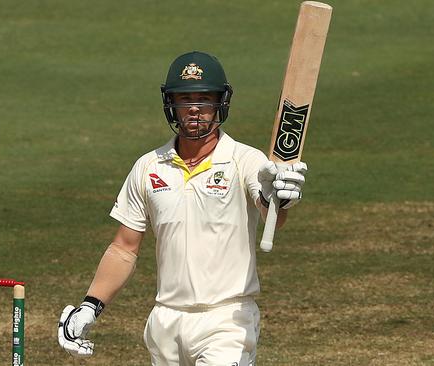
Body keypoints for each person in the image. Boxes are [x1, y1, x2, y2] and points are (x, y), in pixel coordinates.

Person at [58, 51, 307, 365]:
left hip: (227, 320)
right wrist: (89, 306)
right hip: (165, 321)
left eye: (204, 99)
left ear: (220, 103)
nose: (193, 108)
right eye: (184, 98)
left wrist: (279, 197)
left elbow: (272, 211)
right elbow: (124, 247)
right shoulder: (148, 166)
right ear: (170, 103)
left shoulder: (245, 160)